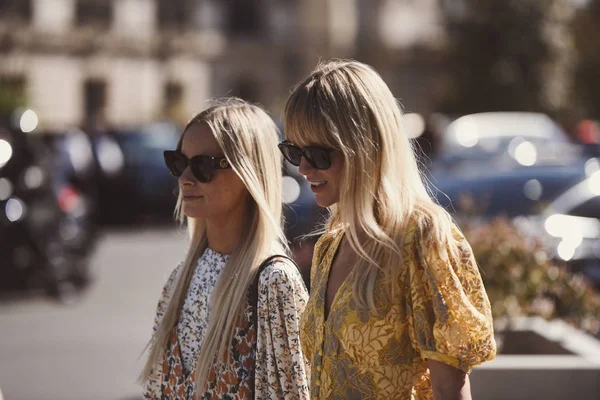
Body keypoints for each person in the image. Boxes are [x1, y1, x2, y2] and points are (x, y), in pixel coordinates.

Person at [280, 60, 496, 399]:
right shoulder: (330, 244)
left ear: (365, 146)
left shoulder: (421, 236)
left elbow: (448, 387)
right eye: (294, 150)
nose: (303, 167)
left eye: (318, 153)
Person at [140, 98, 310, 399]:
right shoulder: (180, 279)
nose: (185, 178)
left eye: (203, 166)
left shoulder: (272, 281)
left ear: (247, 173)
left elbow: (293, 394)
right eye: (178, 163)